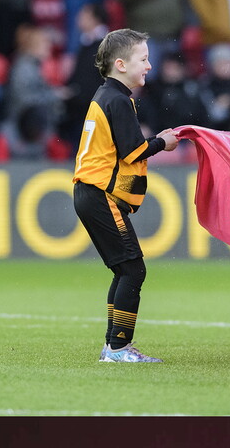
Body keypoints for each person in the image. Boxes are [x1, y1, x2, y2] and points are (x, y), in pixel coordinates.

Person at [72, 28, 179, 363]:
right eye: (143, 59)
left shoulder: (108, 95)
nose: (149, 65)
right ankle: (118, 348)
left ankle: (113, 346)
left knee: (125, 270)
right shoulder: (118, 99)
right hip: (99, 193)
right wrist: (164, 142)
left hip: (91, 193)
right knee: (134, 270)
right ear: (120, 64)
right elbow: (134, 151)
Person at [0, 23, 68, 159]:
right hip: (22, 131)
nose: (49, 48)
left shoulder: (32, 66)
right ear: (34, 46)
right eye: (45, 44)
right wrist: (54, 96)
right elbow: (25, 100)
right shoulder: (24, 68)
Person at [59, 2, 111, 152]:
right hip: (80, 107)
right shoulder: (86, 43)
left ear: (95, 19)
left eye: (84, 15)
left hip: (92, 109)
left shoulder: (107, 46)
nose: (79, 18)